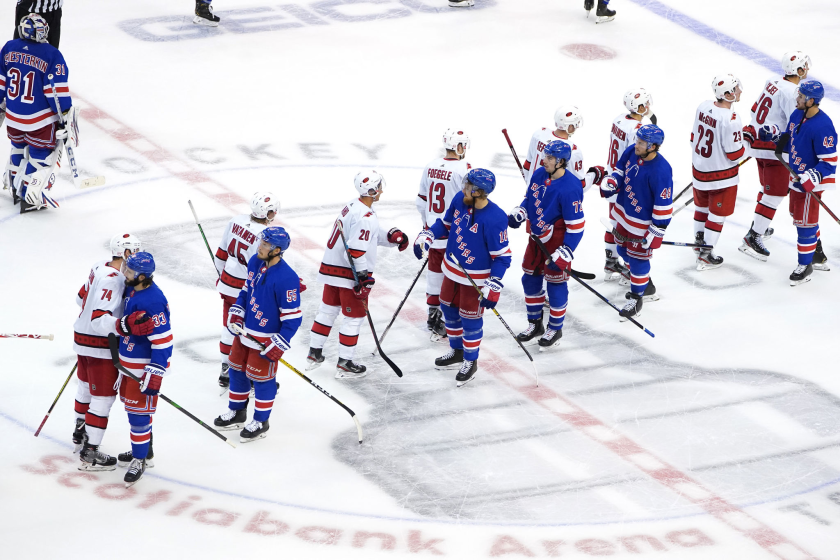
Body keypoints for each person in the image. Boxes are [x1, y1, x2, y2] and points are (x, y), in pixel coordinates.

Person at [414, 169, 512, 386]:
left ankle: (470, 360)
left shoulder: (496, 219)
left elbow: (503, 257)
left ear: (479, 192)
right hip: (451, 270)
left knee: (470, 319)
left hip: (474, 280)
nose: (463, 189)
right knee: (448, 308)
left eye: (468, 186)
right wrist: (429, 234)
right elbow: (446, 224)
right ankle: (456, 350)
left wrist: (493, 284)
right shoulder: (460, 200)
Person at [306, 170, 408, 378]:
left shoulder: (354, 205)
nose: (381, 189)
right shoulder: (366, 215)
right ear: (371, 190)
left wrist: (391, 236)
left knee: (327, 311)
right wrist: (362, 277)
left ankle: (314, 354)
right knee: (354, 318)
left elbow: (365, 236)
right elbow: (354, 250)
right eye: (378, 186)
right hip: (348, 274)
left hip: (331, 269)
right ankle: (345, 362)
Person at [740, 52, 829, 269]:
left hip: (759, 142)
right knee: (776, 192)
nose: (807, 69)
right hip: (774, 149)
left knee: (771, 189)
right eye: (804, 66)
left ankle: (760, 225)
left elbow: (755, 109)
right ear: (799, 70)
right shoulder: (793, 93)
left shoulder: (773, 81)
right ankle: (753, 236)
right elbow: (796, 124)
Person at [213, 227, 302, 442]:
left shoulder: (287, 278)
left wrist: (279, 343)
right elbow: (246, 291)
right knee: (236, 371)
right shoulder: (254, 261)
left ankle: (261, 421)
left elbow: (293, 318)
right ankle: (237, 412)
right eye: (260, 242)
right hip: (244, 333)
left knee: (262, 380)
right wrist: (237, 311)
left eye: (264, 244)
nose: (259, 247)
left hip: (265, 340)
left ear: (277, 250)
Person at [72, 234, 152, 471]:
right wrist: (124, 325)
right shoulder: (115, 280)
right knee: (103, 398)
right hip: (99, 346)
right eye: (135, 253)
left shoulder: (99, 266)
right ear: (126, 253)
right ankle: (91, 452)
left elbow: (79, 299)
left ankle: (81, 432)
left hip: (81, 338)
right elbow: (99, 320)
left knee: (85, 387)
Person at [508, 140, 585, 349]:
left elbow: (577, 226)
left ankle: (555, 327)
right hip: (536, 237)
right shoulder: (540, 174)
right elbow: (530, 200)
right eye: (545, 156)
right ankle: (535, 324)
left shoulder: (571, 187)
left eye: (550, 158)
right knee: (529, 279)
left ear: (561, 162)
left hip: (557, 242)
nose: (545, 161)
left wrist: (566, 250)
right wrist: (521, 211)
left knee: (556, 283)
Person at [1, 12, 76, 213]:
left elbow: (1, 80)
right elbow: (55, 92)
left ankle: (14, 187)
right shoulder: (51, 54)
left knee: (17, 147)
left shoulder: (9, 47)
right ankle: (31, 196)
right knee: (41, 154)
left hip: (14, 116)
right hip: (39, 119)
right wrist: (65, 117)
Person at [601, 125, 673, 319]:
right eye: (637, 140)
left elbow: (663, 203)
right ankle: (645, 285)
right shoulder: (631, 152)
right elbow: (619, 170)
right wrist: (613, 182)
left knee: (639, 258)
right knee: (623, 250)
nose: (637, 145)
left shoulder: (662, 170)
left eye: (641, 142)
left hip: (642, 224)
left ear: (653, 146)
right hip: (624, 213)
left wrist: (657, 229)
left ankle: (636, 298)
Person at [115, 252, 173, 487]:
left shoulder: (153, 301)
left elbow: (164, 340)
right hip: (128, 365)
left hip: (142, 369)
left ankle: (140, 459)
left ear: (141, 276)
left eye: (128, 271)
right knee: (133, 411)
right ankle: (142, 450)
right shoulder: (133, 288)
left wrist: (156, 371)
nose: (124, 274)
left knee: (138, 417)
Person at [214, 191, 279, 388]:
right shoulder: (264, 236)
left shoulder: (235, 221)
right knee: (249, 330)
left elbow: (220, 254)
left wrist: (222, 277)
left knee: (229, 325)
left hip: (227, 284)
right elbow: (260, 269)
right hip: (245, 289)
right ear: (267, 213)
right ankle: (249, 373)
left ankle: (226, 370)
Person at [417, 129, 472, 341]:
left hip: (432, 231)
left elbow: (421, 200)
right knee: (453, 276)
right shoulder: (464, 169)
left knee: (434, 276)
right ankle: (449, 318)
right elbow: (470, 203)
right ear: (459, 146)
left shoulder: (430, 165)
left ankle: (433, 316)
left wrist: (426, 227)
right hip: (451, 233)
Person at [781, 80, 836, 286]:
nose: (797, 98)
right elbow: (790, 137)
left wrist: (813, 176)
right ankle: (816, 253)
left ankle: (805, 265)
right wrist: (774, 138)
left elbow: (829, 162)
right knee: (798, 217)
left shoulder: (823, 126)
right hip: (795, 179)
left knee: (805, 224)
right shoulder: (797, 114)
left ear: (811, 101)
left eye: (801, 96)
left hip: (809, 184)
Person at [690, 74, 745, 270]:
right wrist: (746, 142)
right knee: (717, 214)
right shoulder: (731, 119)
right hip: (721, 176)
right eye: (737, 88)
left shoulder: (703, 106)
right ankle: (706, 254)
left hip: (699, 169)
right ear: (728, 94)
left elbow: (693, 137)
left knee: (701, 208)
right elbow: (734, 154)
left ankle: (699, 244)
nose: (740, 91)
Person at [603, 88, 653, 287]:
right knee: (626, 227)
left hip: (611, 177)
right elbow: (636, 156)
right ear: (639, 106)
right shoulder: (637, 129)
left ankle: (611, 262)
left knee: (614, 223)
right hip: (624, 181)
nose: (649, 106)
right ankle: (628, 268)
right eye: (646, 103)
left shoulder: (618, 119)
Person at [523, 106, 605, 194]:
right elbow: (580, 186)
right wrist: (594, 175)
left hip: (531, 198)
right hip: (551, 204)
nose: (577, 126)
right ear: (569, 127)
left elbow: (527, 166)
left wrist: (530, 187)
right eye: (576, 123)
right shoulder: (572, 151)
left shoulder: (539, 134)